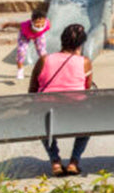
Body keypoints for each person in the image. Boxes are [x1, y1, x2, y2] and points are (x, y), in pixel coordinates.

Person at [29, 23, 93, 176]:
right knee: (89, 120)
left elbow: (32, 91)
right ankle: (74, 162)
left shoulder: (44, 60)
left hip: (49, 116)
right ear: (81, 44)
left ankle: (55, 162)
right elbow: (86, 90)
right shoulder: (85, 62)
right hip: (76, 116)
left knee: (43, 118)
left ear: (61, 40)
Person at [15, 9, 51, 80]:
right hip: (25, 35)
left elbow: (45, 25)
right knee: (21, 51)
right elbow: (14, 24)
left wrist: (37, 40)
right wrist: (6, 24)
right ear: (32, 22)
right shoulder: (25, 26)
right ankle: (20, 70)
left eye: (42, 23)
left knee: (42, 53)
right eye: (37, 23)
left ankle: (44, 70)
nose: (40, 26)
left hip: (38, 35)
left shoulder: (47, 25)